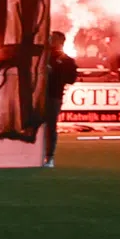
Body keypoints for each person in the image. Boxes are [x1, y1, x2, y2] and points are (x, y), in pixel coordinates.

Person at [44, 30, 79, 168]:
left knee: (50, 126)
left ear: (61, 42)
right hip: (38, 97)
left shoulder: (67, 60)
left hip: (53, 96)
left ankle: (50, 156)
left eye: (54, 39)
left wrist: (54, 73)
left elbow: (71, 79)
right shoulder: (43, 56)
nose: (51, 40)